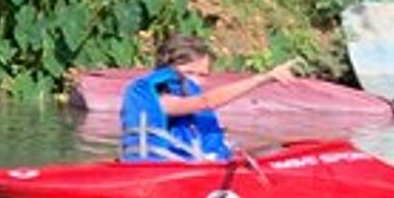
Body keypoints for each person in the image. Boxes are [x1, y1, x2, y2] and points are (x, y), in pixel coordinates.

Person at [120, 35, 297, 162]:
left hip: (200, 166)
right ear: (167, 70)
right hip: (159, 175)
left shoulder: (188, 98)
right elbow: (206, 102)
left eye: (203, 75)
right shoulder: (162, 100)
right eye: (189, 72)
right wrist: (263, 78)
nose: (195, 80)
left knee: (275, 151)